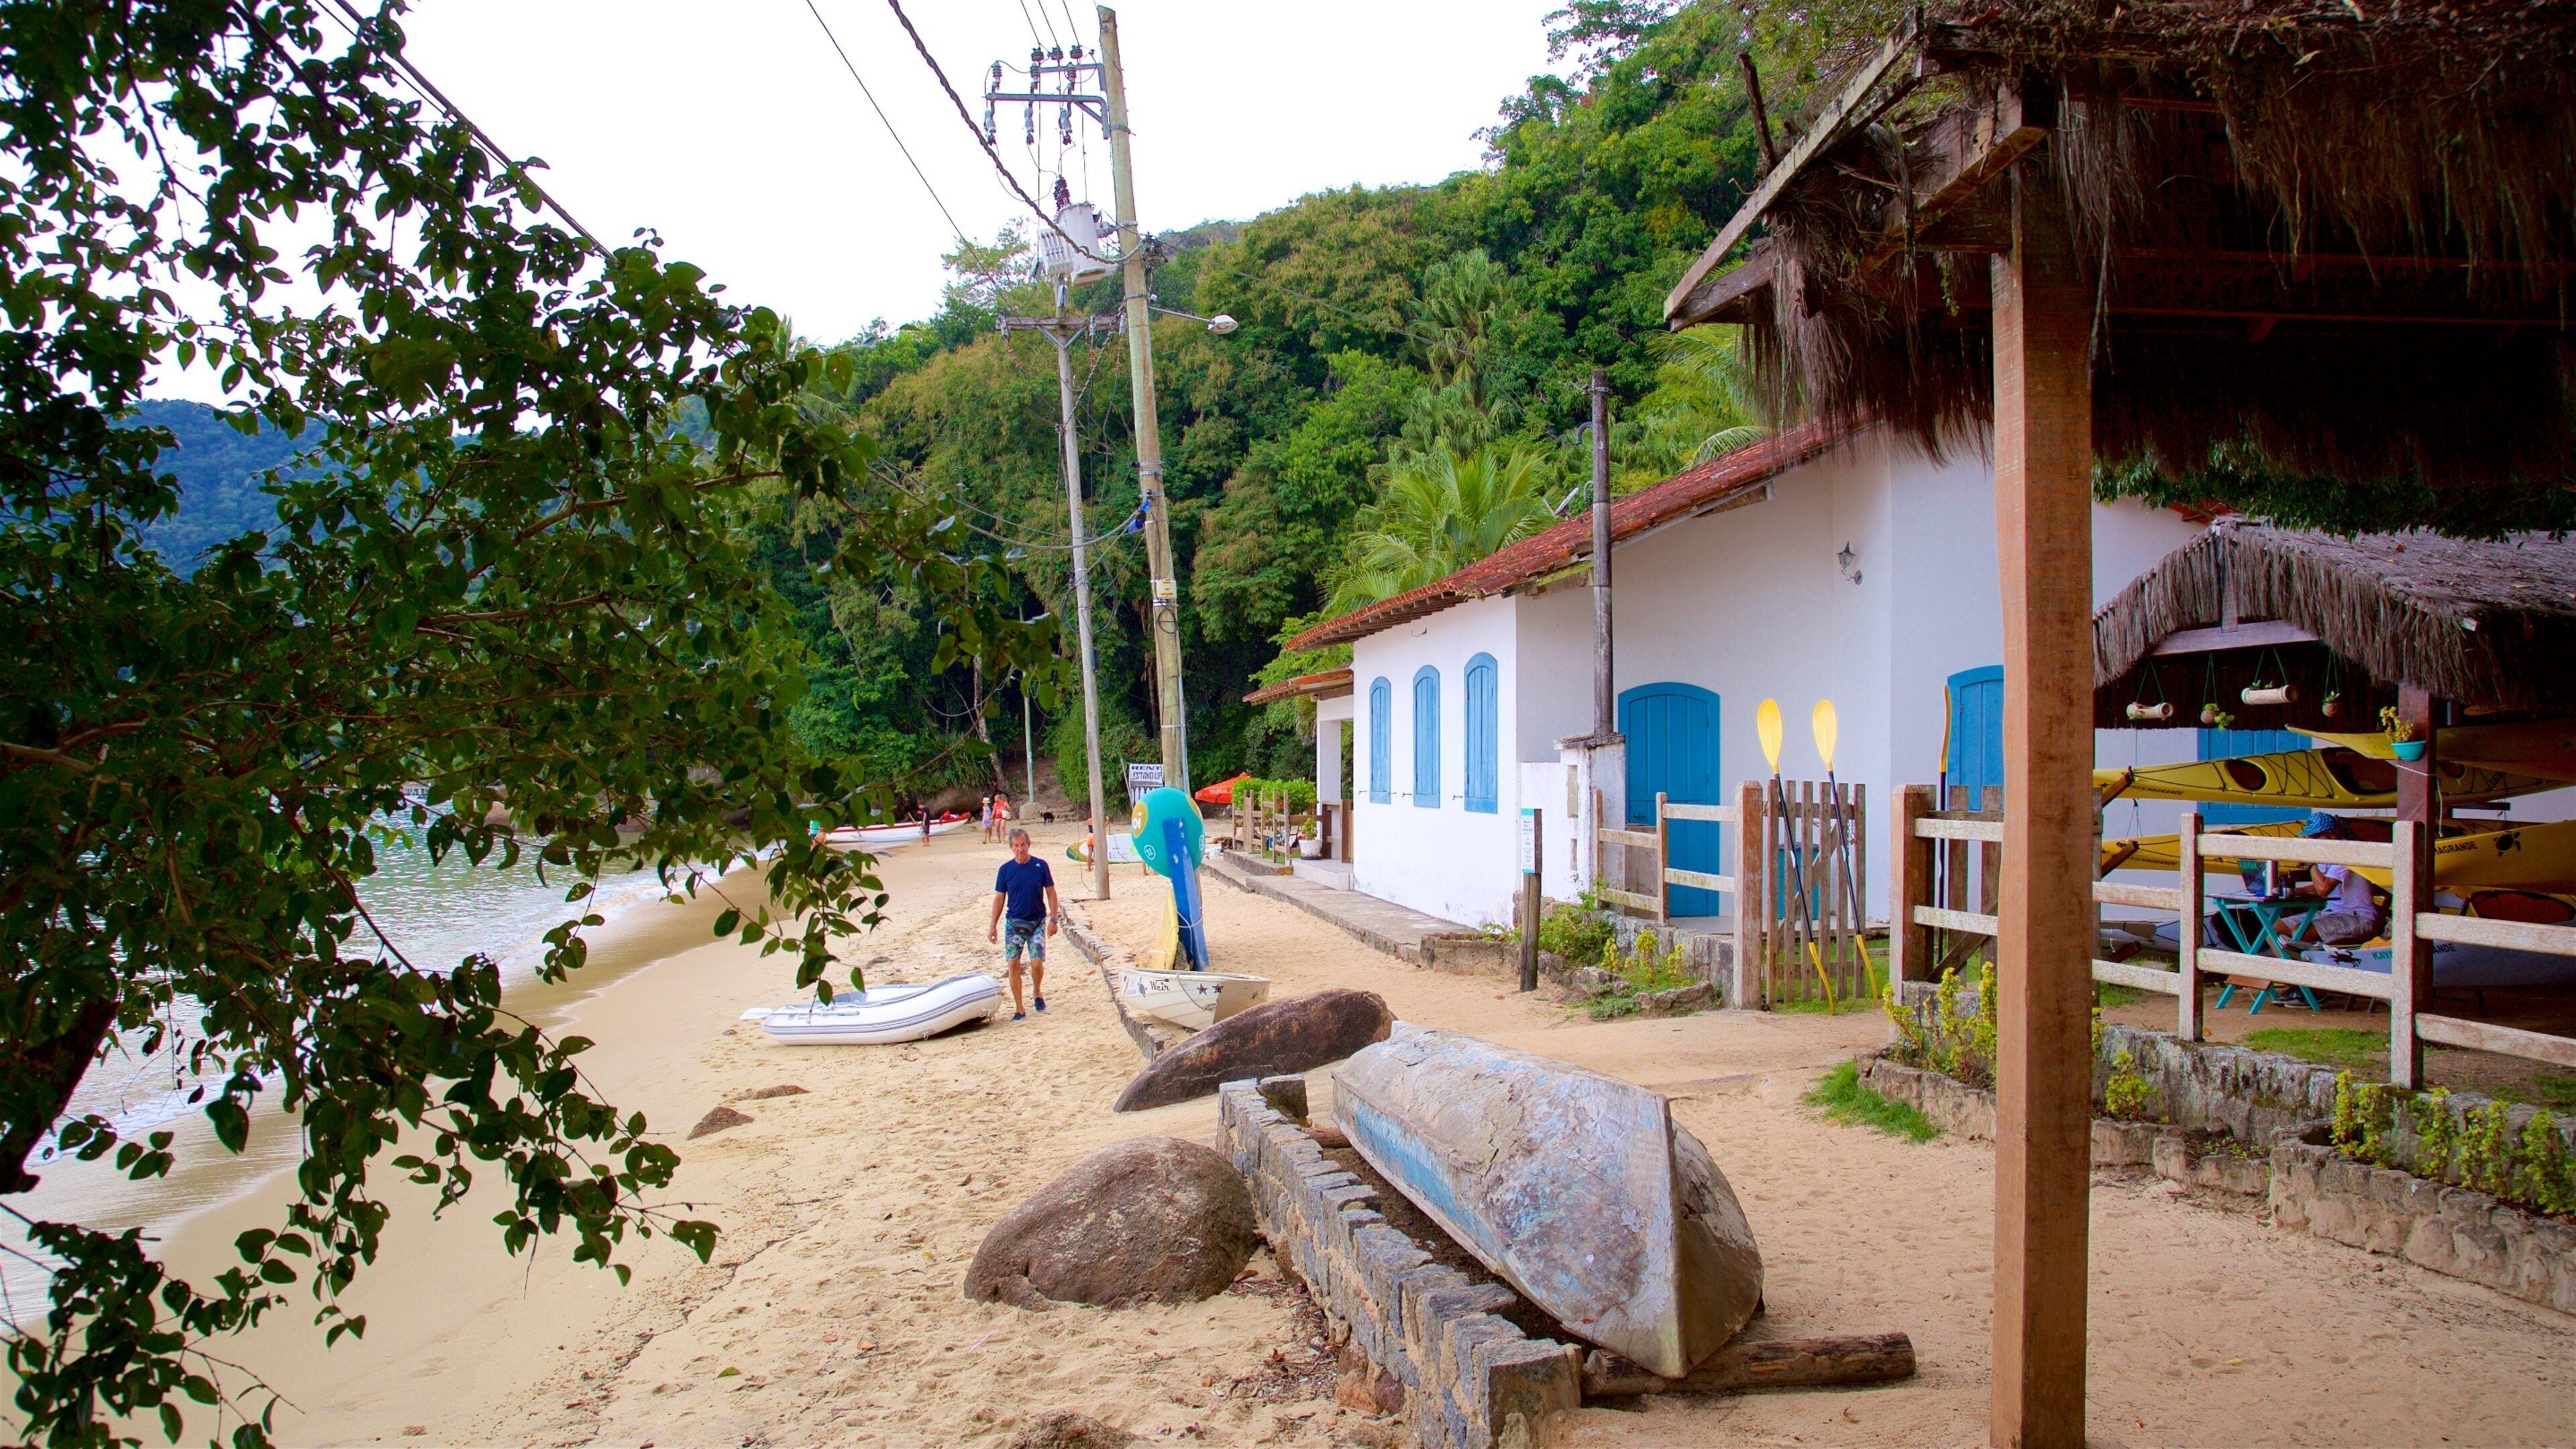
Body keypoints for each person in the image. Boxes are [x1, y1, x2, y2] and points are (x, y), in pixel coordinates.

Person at [2284, 812, 2389, 947]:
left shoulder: (2346, 851)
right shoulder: (2326, 853)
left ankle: (2305, 959)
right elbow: (2323, 885)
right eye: (2309, 837)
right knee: (2276, 928)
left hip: (2358, 918)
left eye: (2315, 836)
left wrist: (2311, 863)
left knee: (2300, 932)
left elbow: (2324, 889)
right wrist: (2297, 891)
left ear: (2333, 834)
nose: (2311, 841)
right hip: (2331, 913)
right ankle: (2291, 958)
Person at [989, 826, 1060, 1020]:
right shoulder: (1005, 870)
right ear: (1011, 847)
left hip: (1037, 922)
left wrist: (1054, 919)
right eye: (1016, 846)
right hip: (1014, 923)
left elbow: (1051, 893)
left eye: (1023, 845)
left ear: (1029, 845)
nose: (1020, 849)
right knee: (1013, 963)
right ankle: (1019, 1008)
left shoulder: (1041, 866)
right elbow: (999, 899)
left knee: (1036, 963)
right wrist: (992, 925)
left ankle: (1037, 992)